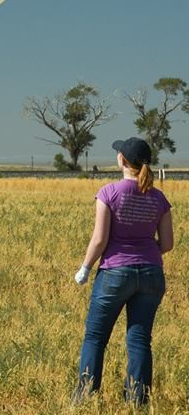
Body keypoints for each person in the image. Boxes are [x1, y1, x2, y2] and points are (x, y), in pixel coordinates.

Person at [73, 137, 173, 405]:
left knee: (95, 337)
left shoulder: (109, 192)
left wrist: (84, 268)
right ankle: (137, 402)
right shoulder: (159, 198)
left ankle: (84, 399)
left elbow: (99, 239)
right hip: (152, 274)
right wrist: (144, 252)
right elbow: (167, 244)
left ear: (123, 160)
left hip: (115, 273)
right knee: (140, 340)